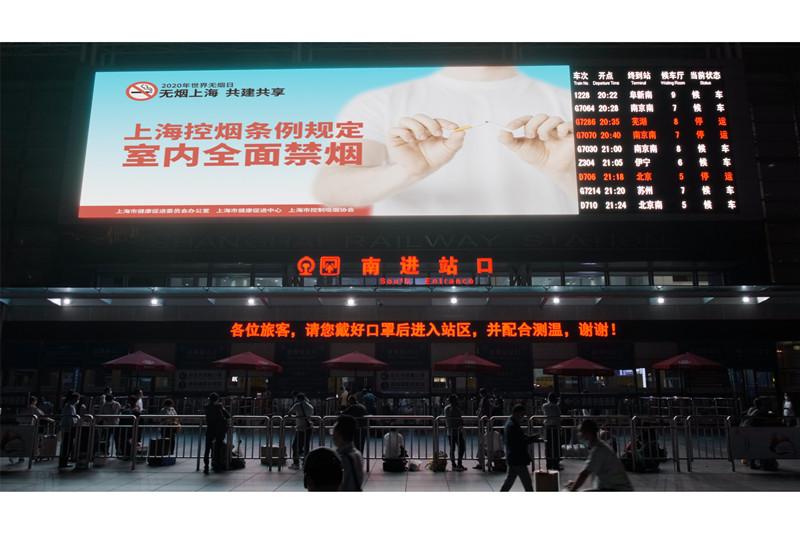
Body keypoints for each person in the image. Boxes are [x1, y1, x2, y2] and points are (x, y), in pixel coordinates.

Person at [313, 66, 578, 216]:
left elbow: (603, 211)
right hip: (414, 268)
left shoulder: (571, 101)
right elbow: (330, 189)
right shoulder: (377, 102)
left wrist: (565, 172)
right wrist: (406, 171)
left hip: (544, 265)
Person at [567, 420, 633, 492]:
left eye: (581, 432)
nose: (579, 434)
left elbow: (585, 474)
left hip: (617, 489)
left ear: (588, 433)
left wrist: (573, 489)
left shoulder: (599, 450)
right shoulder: (599, 446)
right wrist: (575, 484)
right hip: (612, 487)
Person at [499, 404, 535, 491]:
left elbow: (519, 438)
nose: (522, 417)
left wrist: (530, 438)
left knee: (509, 481)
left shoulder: (510, 423)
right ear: (516, 413)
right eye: (522, 414)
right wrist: (532, 439)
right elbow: (519, 441)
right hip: (517, 458)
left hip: (513, 457)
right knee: (527, 482)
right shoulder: (513, 426)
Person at [333, 415, 364, 491]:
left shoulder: (341, 458)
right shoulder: (357, 454)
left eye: (333, 432)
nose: (332, 436)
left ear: (340, 435)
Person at [203, 392, 230, 474]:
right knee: (218, 448)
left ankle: (206, 466)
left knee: (207, 448)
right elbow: (228, 415)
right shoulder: (219, 406)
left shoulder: (206, 407)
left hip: (209, 429)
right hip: (218, 430)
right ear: (217, 399)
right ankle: (217, 464)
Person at [288, 392, 314, 470]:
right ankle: (305, 462)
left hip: (300, 429)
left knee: (295, 446)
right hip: (308, 428)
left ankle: (296, 463)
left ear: (298, 398)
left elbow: (289, 413)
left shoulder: (297, 405)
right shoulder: (310, 406)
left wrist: (296, 417)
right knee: (306, 446)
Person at [444, 394, 466, 471]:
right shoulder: (455, 409)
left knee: (452, 448)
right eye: (456, 400)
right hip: (456, 432)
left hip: (450, 432)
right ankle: (458, 463)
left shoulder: (446, 408)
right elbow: (459, 420)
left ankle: (454, 464)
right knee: (461, 447)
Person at [58, 392, 80, 468]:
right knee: (67, 445)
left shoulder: (69, 406)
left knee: (66, 445)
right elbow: (71, 418)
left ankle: (64, 461)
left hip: (67, 428)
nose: (78, 401)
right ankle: (63, 462)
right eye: (77, 399)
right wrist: (76, 423)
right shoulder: (70, 407)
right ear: (74, 399)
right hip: (68, 428)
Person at [474, 388, 493, 470]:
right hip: (485, 423)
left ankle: (483, 462)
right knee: (486, 443)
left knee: (483, 443)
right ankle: (487, 461)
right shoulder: (487, 400)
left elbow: (483, 410)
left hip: (484, 423)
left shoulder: (485, 400)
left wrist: (480, 415)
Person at [542, 392, 562, 470]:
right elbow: (559, 416)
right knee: (555, 446)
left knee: (548, 446)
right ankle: (555, 465)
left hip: (547, 428)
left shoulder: (544, 406)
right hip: (555, 428)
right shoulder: (556, 407)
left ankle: (549, 464)